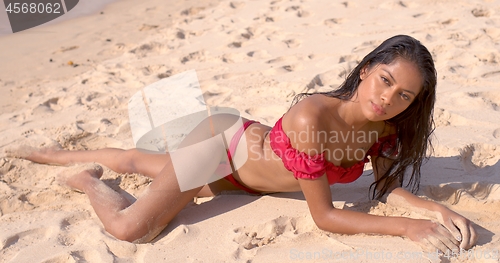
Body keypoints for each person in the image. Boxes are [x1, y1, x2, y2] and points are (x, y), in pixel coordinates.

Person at [7, 35, 477, 251]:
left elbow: (385, 188)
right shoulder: (312, 116)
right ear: (364, 71)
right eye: (384, 80)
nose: (387, 98)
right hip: (223, 144)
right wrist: (405, 229)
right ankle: (84, 177)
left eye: (404, 95)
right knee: (133, 230)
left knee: (141, 160)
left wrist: (436, 211)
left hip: (247, 178)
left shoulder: (386, 130)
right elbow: (324, 216)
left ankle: (48, 153)